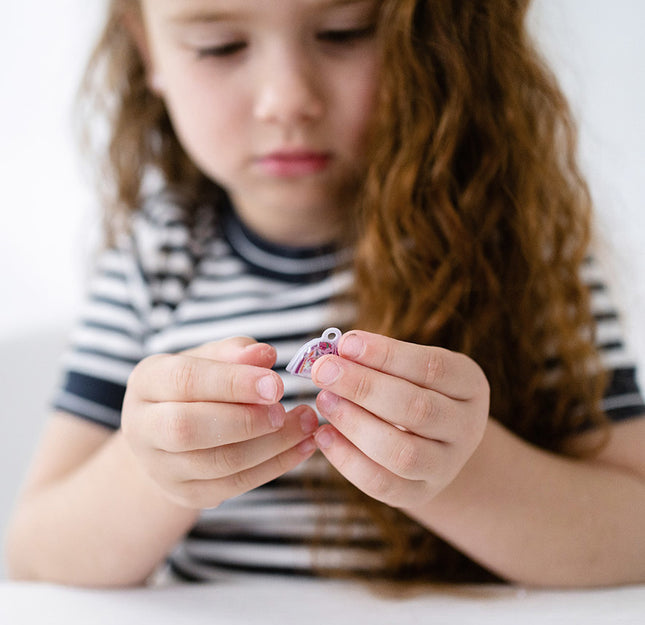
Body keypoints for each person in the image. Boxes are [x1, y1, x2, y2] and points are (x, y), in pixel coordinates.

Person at [5, 0, 645, 588]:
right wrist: (154, 473)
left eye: (346, 32)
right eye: (221, 45)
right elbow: (33, 558)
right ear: (149, 51)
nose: (288, 100)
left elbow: (633, 534)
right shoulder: (152, 261)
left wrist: (454, 470)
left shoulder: (523, 251)